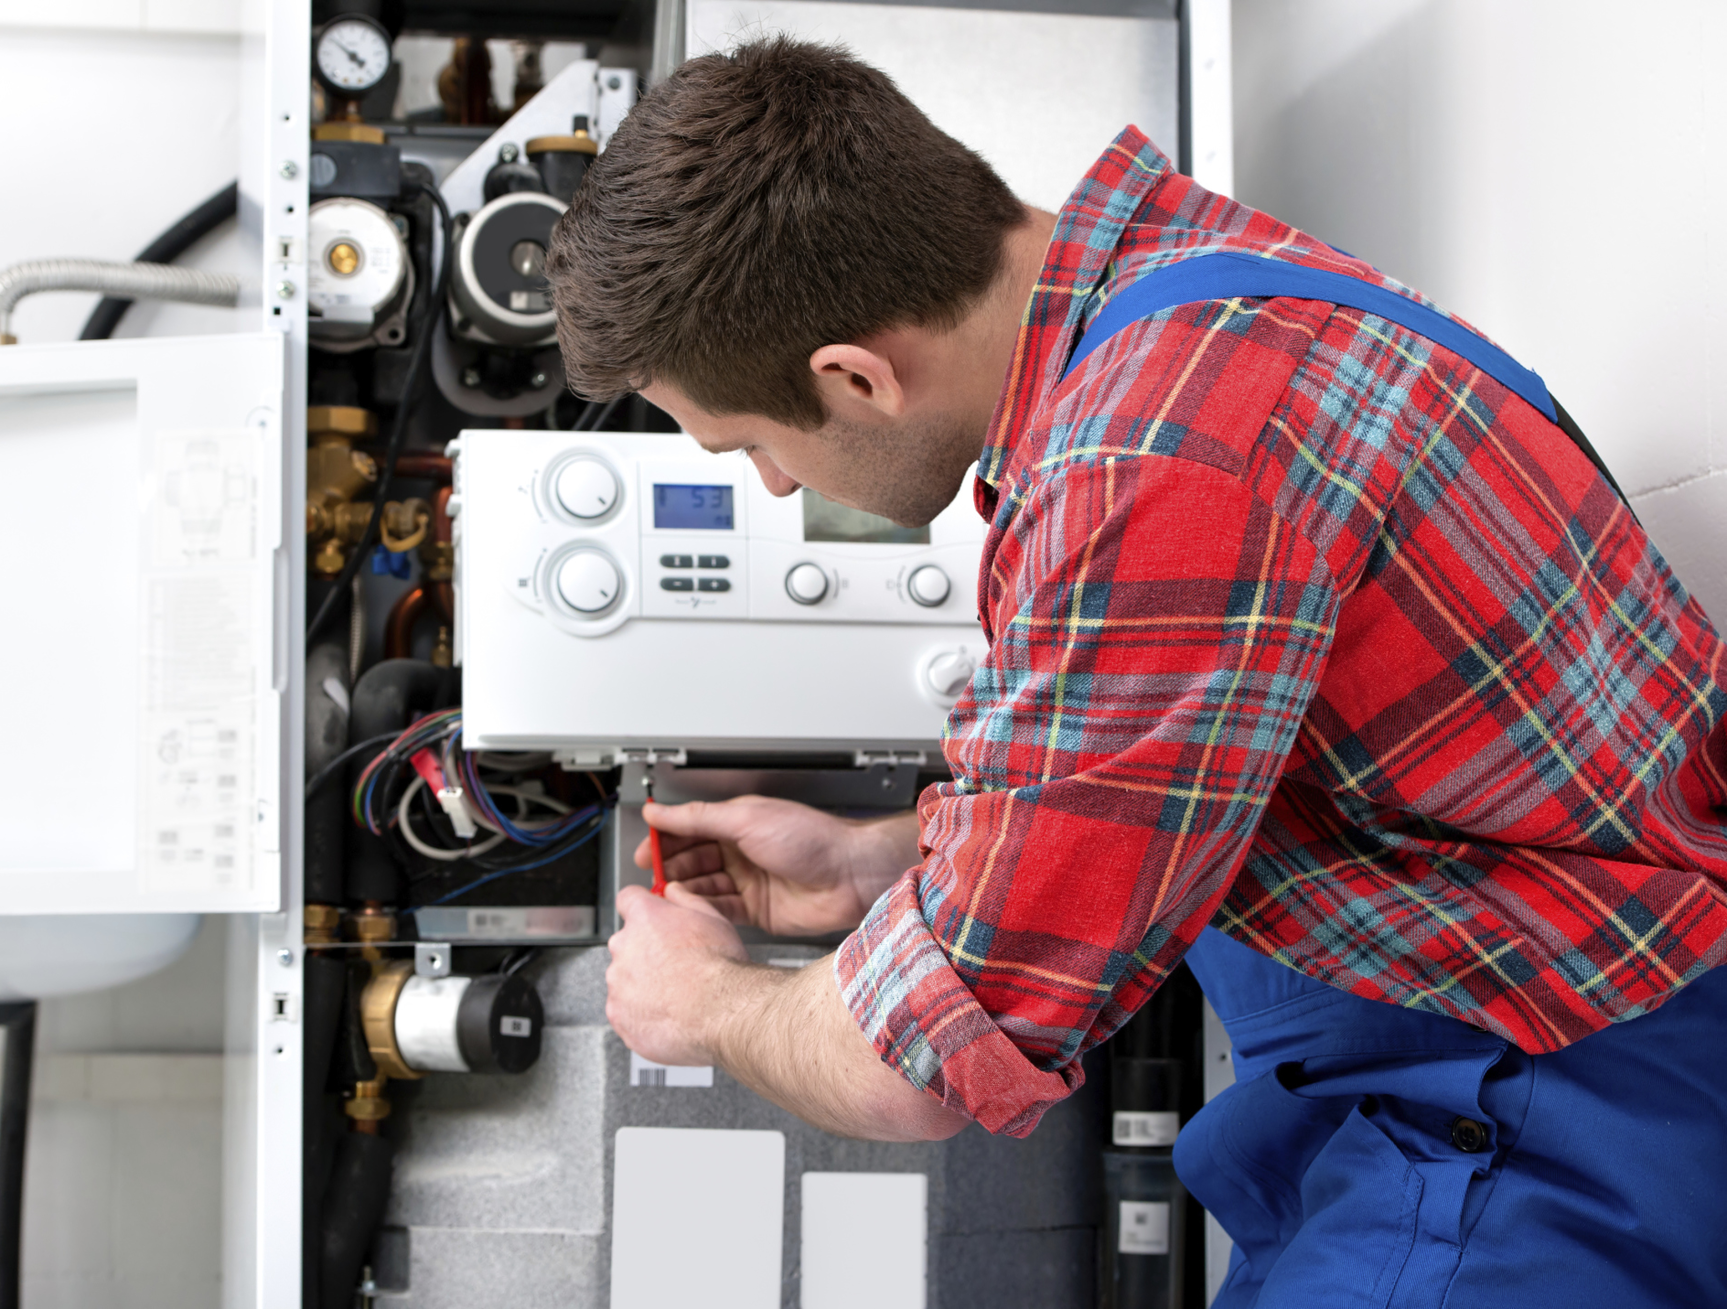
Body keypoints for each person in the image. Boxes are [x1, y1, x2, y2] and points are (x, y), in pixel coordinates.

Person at [545, 37, 1727, 1306]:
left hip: (1536, 1108)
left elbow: (917, 1072)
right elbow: (1170, 781)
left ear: (854, 377)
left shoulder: (1155, 468)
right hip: (1471, 1053)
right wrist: (873, 864)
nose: (773, 484)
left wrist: (704, 1001)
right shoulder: (1192, 288)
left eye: (749, 447)